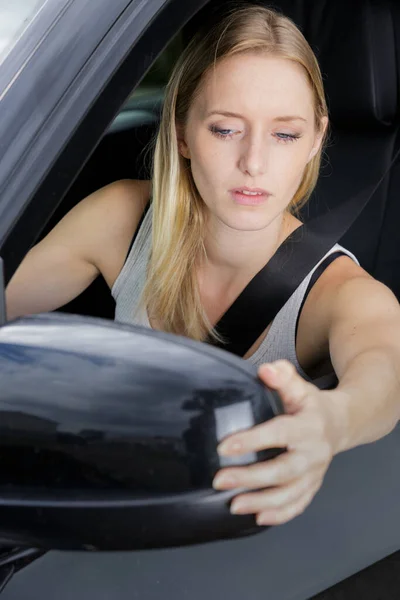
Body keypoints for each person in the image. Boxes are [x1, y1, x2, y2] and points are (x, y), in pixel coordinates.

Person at [5, 4, 400, 526]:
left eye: (285, 134)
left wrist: (331, 421)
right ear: (183, 132)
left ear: (315, 141)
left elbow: (384, 375)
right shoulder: (121, 217)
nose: (254, 162)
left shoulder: (343, 294)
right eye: (225, 129)